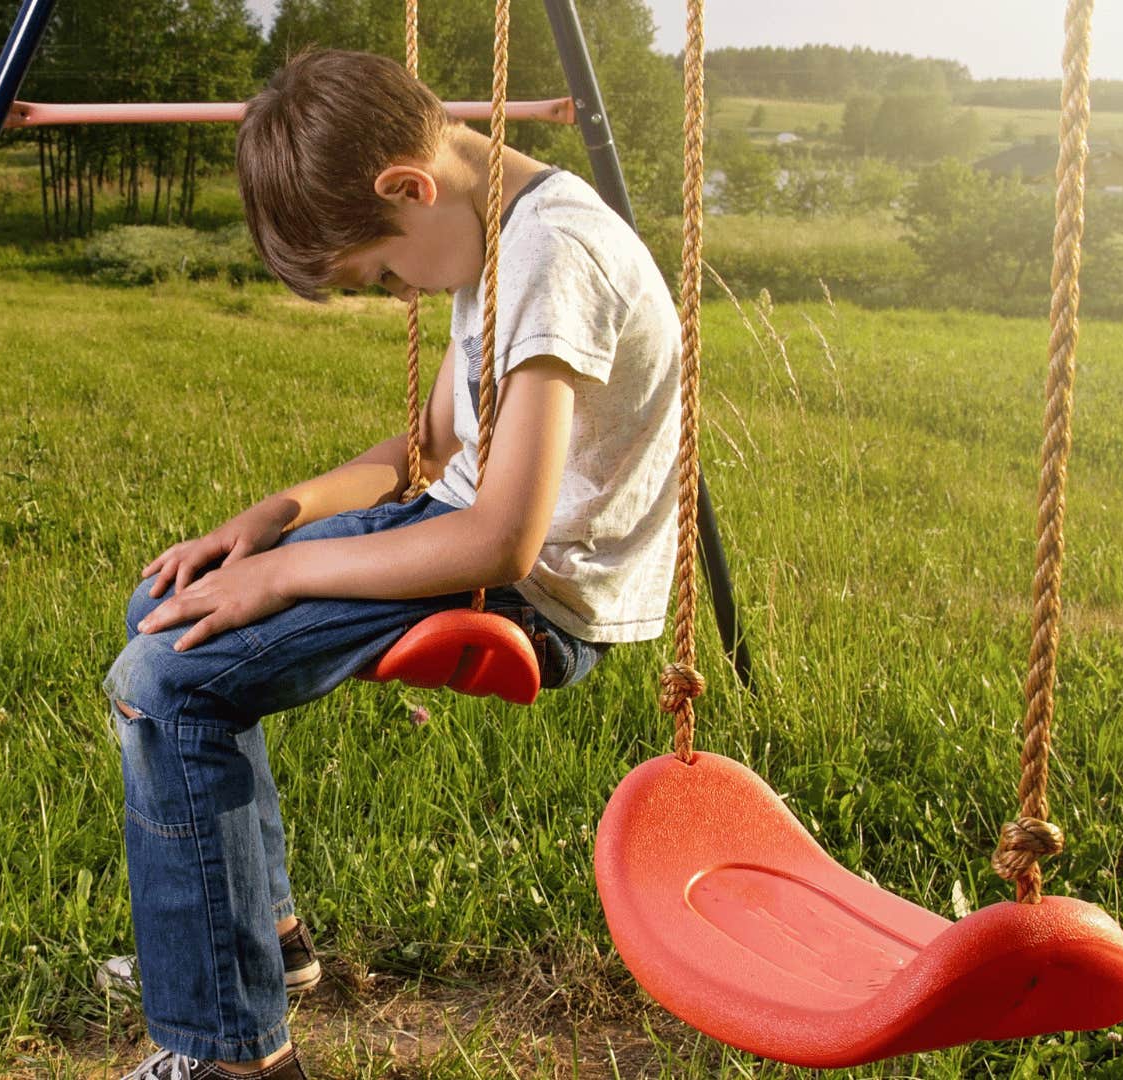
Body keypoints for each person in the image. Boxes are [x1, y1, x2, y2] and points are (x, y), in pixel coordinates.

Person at [105, 47, 681, 1079]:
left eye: (377, 273)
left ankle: (237, 1055)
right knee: (172, 599)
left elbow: (500, 536)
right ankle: (258, 940)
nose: (393, 289)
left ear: (409, 190)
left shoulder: (556, 257)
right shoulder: (496, 231)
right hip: (462, 531)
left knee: (166, 681)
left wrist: (281, 577)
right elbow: (427, 453)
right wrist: (271, 519)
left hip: (532, 587)